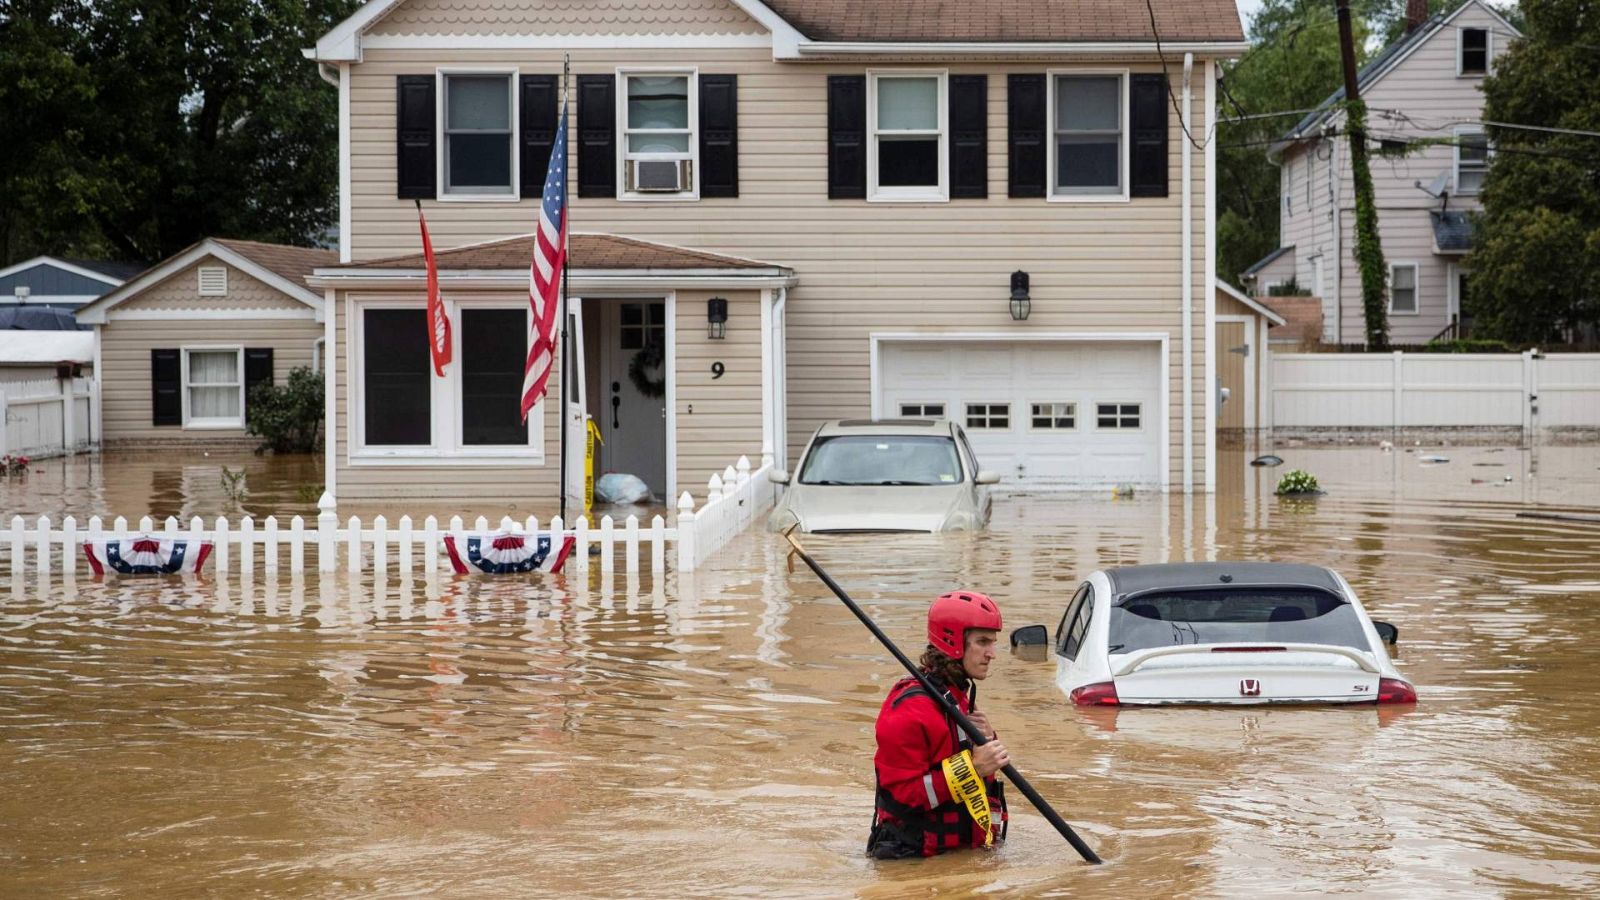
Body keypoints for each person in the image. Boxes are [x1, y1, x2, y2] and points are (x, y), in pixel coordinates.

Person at [868, 590, 1010, 859]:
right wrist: (974, 767)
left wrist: (988, 740)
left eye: (993, 642)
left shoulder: (957, 698)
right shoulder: (910, 710)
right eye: (982, 642)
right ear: (953, 641)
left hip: (958, 853)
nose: (992, 653)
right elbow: (902, 796)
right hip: (910, 860)